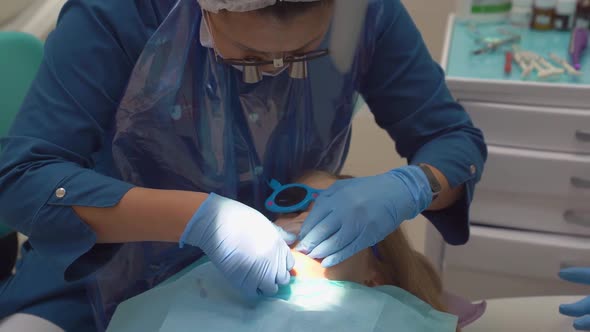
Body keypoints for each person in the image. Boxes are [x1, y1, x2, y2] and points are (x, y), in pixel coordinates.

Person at [0, 0, 487, 331]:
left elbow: (452, 141)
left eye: (303, 55)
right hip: (95, 272)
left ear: (373, 283)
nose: (276, 72)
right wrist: (199, 219)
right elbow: (23, 178)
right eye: (252, 57)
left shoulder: (369, 12)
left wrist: (414, 185)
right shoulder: (117, 14)